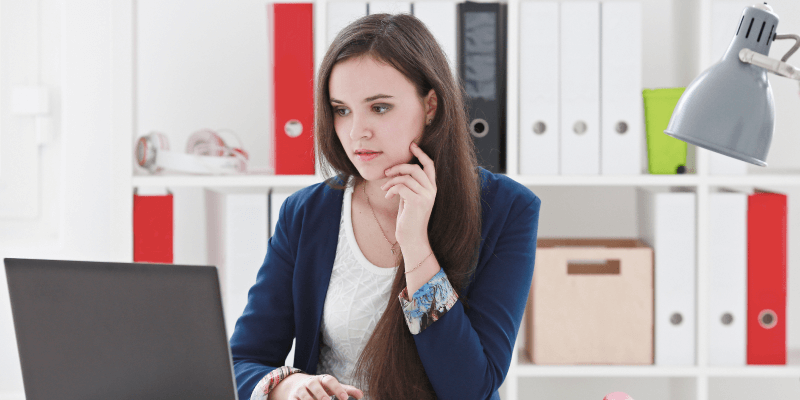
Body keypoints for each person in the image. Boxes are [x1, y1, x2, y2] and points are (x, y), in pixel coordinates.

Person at [230, 12, 541, 400]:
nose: (356, 131)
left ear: (430, 105)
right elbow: (242, 361)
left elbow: (470, 388)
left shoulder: (507, 210)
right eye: (341, 109)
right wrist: (291, 386)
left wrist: (416, 246)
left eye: (379, 107)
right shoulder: (307, 213)